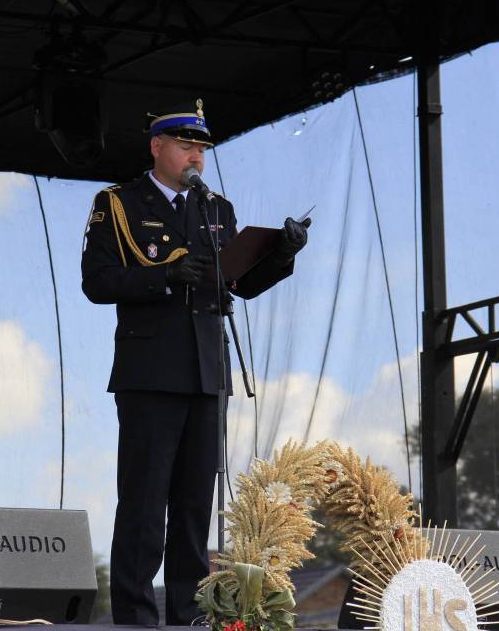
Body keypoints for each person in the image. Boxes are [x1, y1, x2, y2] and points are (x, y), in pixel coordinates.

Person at [81, 99, 308, 626]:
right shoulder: (119, 203)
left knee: (193, 506)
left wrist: (282, 253)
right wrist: (163, 276)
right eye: (186, 146)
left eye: (202, 149)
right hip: (150, 372)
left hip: (207, 373)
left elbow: (240, 283)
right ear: (157, 146)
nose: (196, 158)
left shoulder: (217, 210)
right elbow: (97, 281)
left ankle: (189, 614)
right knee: (144, 503)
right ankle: (136, 618)